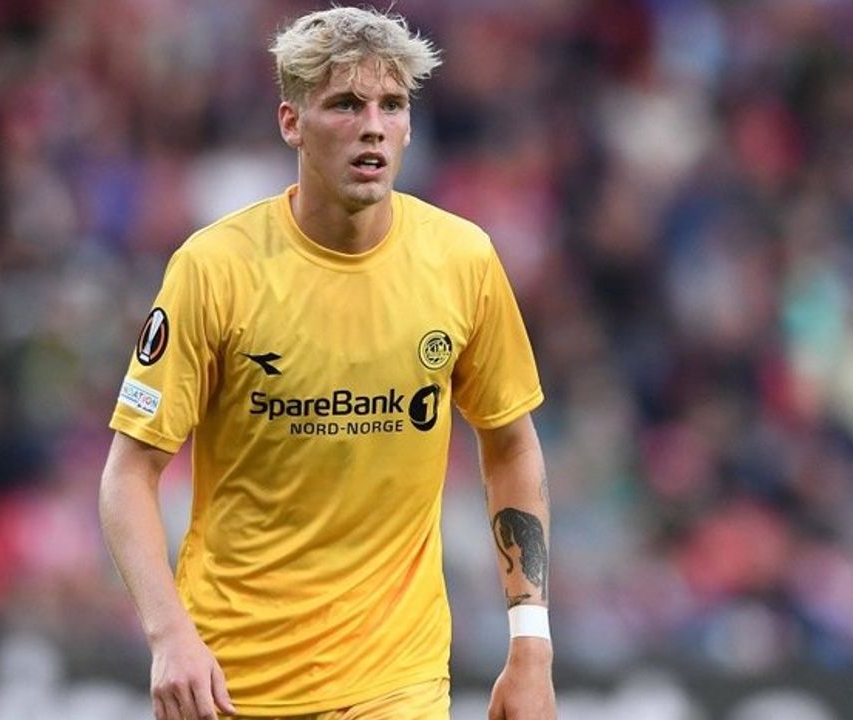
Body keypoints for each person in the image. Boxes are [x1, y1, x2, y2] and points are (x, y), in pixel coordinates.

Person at [100, 7, 556, 719]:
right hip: (230, 684)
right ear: (292, 122)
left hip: (396, 682)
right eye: (346, 104)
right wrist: (169, 637)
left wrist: (531, 646)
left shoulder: (461, 261)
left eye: (392, 105)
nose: (373, 126)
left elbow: (512, 445)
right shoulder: (215, 269)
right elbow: (127, 476)